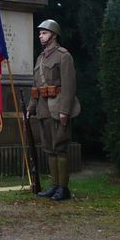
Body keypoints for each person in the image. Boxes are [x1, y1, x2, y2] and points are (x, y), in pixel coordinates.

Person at [27, 20, 81, 201]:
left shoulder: (63, 56)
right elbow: (36, 87)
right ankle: (55, 186)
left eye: (44, 33)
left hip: (58, 108)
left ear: (54, 35)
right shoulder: (41, 58)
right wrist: (30, 108)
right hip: (43, 109)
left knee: (60, 148)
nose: (40, 36)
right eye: (40, 33)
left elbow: (69, 86)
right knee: (49, 148)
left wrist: (65, 110)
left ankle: (63, 189)